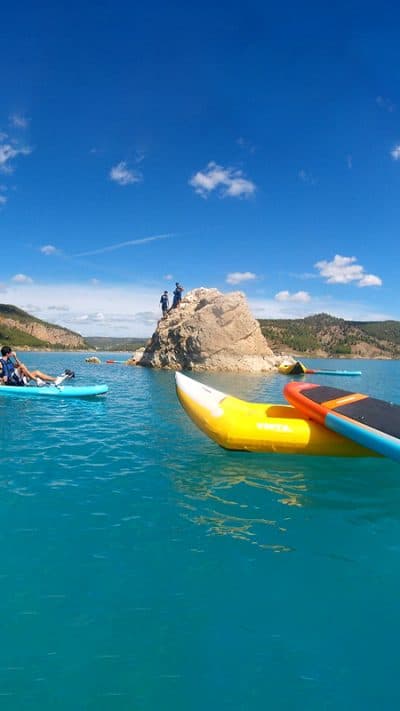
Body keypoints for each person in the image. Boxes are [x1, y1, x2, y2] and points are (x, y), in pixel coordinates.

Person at [0, 346, 74, 387]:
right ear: (7, 353)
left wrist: (15, 357)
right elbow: (3, 376)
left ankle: (55, 380)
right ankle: (37, 381)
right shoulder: (1, 362)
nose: (12, 353)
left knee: (36, 372)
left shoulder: (9, 360)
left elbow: (19, 365)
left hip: (18, 380)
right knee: (22, 366)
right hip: (12, 382)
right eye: (11, 353)